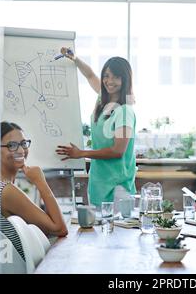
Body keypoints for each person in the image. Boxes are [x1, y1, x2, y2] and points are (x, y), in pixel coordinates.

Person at [0, 122, 68, 259]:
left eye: (23, 143)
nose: (21, 151)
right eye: (12, 146)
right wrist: (40, 182)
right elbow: (60, 229)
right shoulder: (5, 191)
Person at [55, 48, 136, 207]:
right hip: (99, 183)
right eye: (106, 76)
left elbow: (118, 150)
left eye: (116, 77)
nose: (109, 81)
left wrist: (81, 153)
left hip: (117, 187)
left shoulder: (125, 111)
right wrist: (75, 59)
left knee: (118, 231)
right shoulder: (103, 98)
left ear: (125, 79)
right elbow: (90, 75)